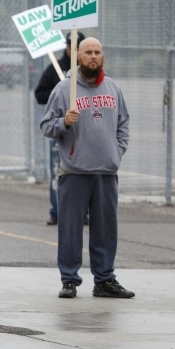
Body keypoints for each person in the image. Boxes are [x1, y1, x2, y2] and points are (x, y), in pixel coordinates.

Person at [40, 37, 132, 300]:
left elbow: (124, 123)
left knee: (105, 229)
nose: (93, 56)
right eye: (88, 52)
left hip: (106, 171)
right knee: (70, 229)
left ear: (102, 56)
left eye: (97, 52)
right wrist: (63, 123)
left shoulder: (113, 88)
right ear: (77, 57)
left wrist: (117, 151)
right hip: (75, 172)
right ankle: (69, 279)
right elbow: (46, 126)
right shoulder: (63, 89)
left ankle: (104, 279)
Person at [35, 31, 86, 225]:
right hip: (60, 129)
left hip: (82, 131)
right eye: (70, 47)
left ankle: (83, 212)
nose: (73, 51)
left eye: (77, 48)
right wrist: (60, 93)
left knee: (84, 172)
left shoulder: (87, 72)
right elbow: (39, 93)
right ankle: (57, 211)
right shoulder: (54, 68)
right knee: (58, 170)